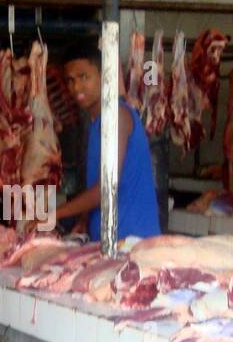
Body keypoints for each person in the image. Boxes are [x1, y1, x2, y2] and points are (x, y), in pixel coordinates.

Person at [53, 42, 161, 241]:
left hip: (134, 245)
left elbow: (106, 188)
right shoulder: (97, 124)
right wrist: (85, 219)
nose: (76, 87)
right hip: (109, 244)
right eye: (70, 80)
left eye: (84, 77)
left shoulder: (117, 116)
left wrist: (53, 215)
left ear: (104, 75)